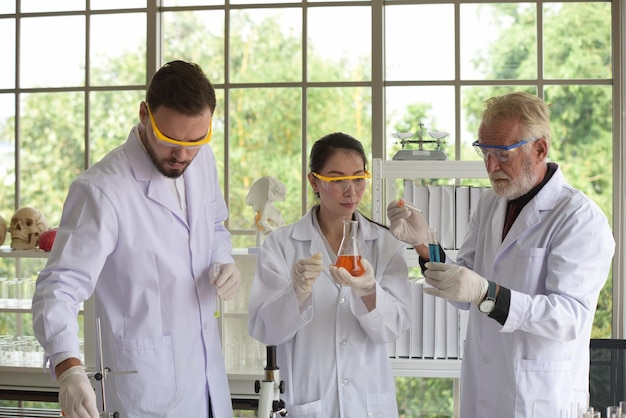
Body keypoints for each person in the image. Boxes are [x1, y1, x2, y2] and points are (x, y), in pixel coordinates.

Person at [32, 60, 241, 418]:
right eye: (171, 140)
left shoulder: (201, 161)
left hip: (207, 388)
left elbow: (216, 223)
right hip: (146, 395)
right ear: (144, 114)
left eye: (196, 140)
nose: (183, 155)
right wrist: (68, 368)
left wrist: (223, 259)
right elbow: (59, 287)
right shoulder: (102, 190)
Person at [386, 91, 615, 417]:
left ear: (539, 149)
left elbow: (569, 318)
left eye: (502, 153)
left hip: (539, 399)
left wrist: (487, 293)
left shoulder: (578, 218)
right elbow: (462, 287)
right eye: (485, 152)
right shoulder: (493, 202)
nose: (490, 166)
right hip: (484, 390)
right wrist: (424, 244)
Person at [248, 132, 411, 417]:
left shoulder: (385, 244)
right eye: (337, 180)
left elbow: (393, 328)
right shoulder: (282, 244)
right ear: (314, 181)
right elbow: (265, 330)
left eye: (359, 178)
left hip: (368, 404)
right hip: (309, 400)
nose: (351, 191)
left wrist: (369, 289)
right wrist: (295, 294)